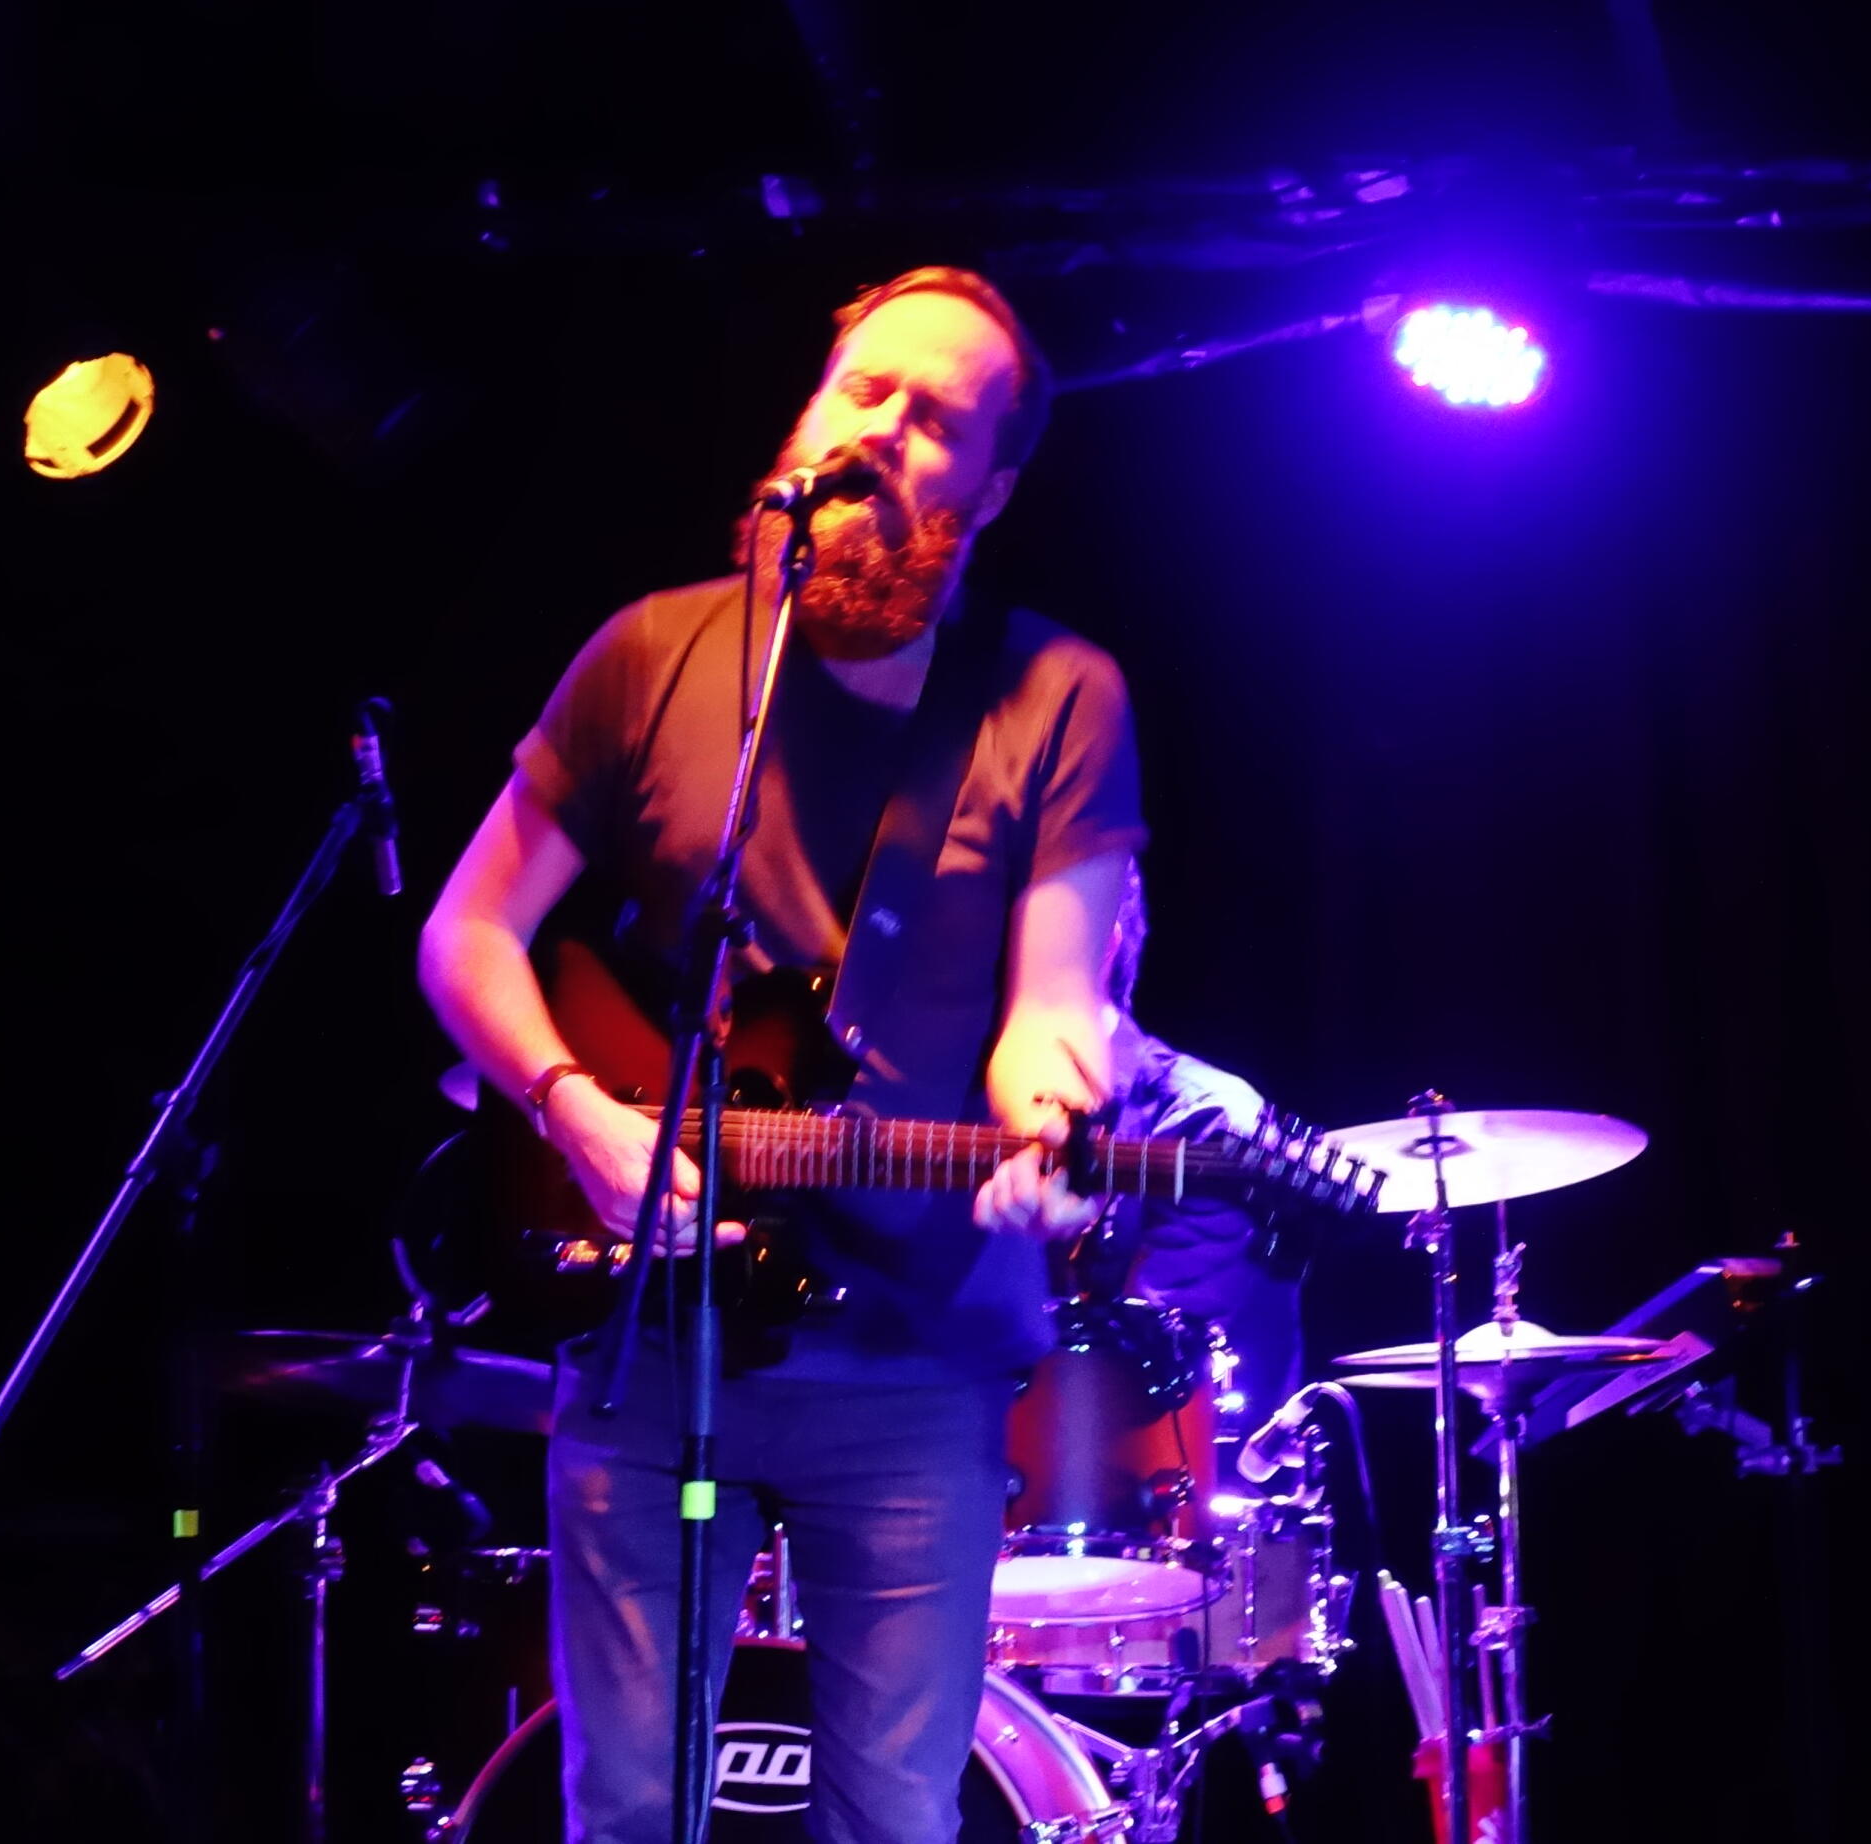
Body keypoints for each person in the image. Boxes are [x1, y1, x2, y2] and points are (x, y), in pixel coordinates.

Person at [417, 266, 1139, 1844]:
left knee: (892, 1815)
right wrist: (576, 1115)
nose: (879, 429)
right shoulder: (653, 654)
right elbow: (465, 935)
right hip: (644, 1336)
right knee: (626, 1808)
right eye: (860, 390)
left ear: (990, 490)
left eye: (933, 418)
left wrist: (1049, 1138)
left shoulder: (1056, 694)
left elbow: (1053, 1011)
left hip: (911, 1363)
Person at [1083, 860, 1307, 1418]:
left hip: (1158, 1450)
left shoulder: (1208, 1118)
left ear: (1100, 944)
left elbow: (1154, 1355)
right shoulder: (967, 1102)